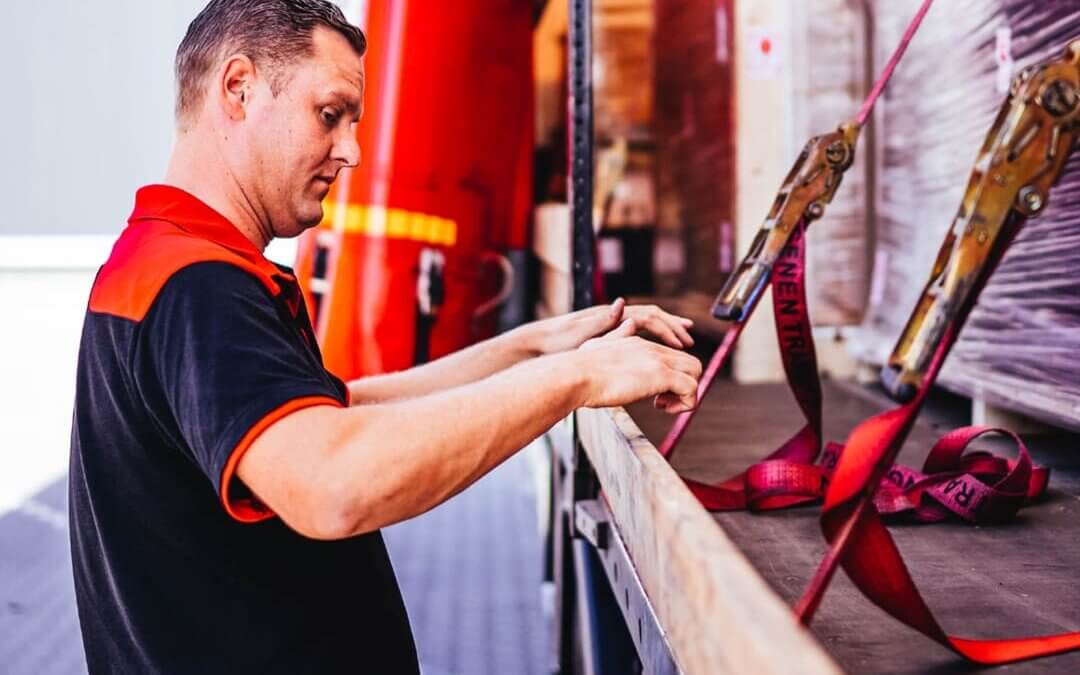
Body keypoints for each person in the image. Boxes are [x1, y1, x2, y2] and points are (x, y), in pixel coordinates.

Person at [68, 0, 702, 672]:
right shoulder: (197, 286)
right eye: (329, 114)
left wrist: (534, 346)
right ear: (238, 88)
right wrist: (579, 378)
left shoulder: (167, 263)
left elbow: (340, 412)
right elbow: (331, 480)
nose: (351, 152)